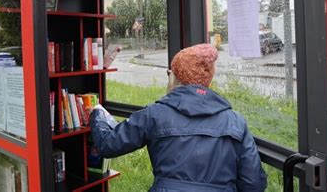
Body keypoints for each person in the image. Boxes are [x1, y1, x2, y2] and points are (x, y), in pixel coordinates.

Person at [90, 43, 267, 192]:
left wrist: (96, 112)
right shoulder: (235, 121)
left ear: (175, 77)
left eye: (170, 73)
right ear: (208, 81)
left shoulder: (154, 114)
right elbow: (254, 184)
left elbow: (109, 145)